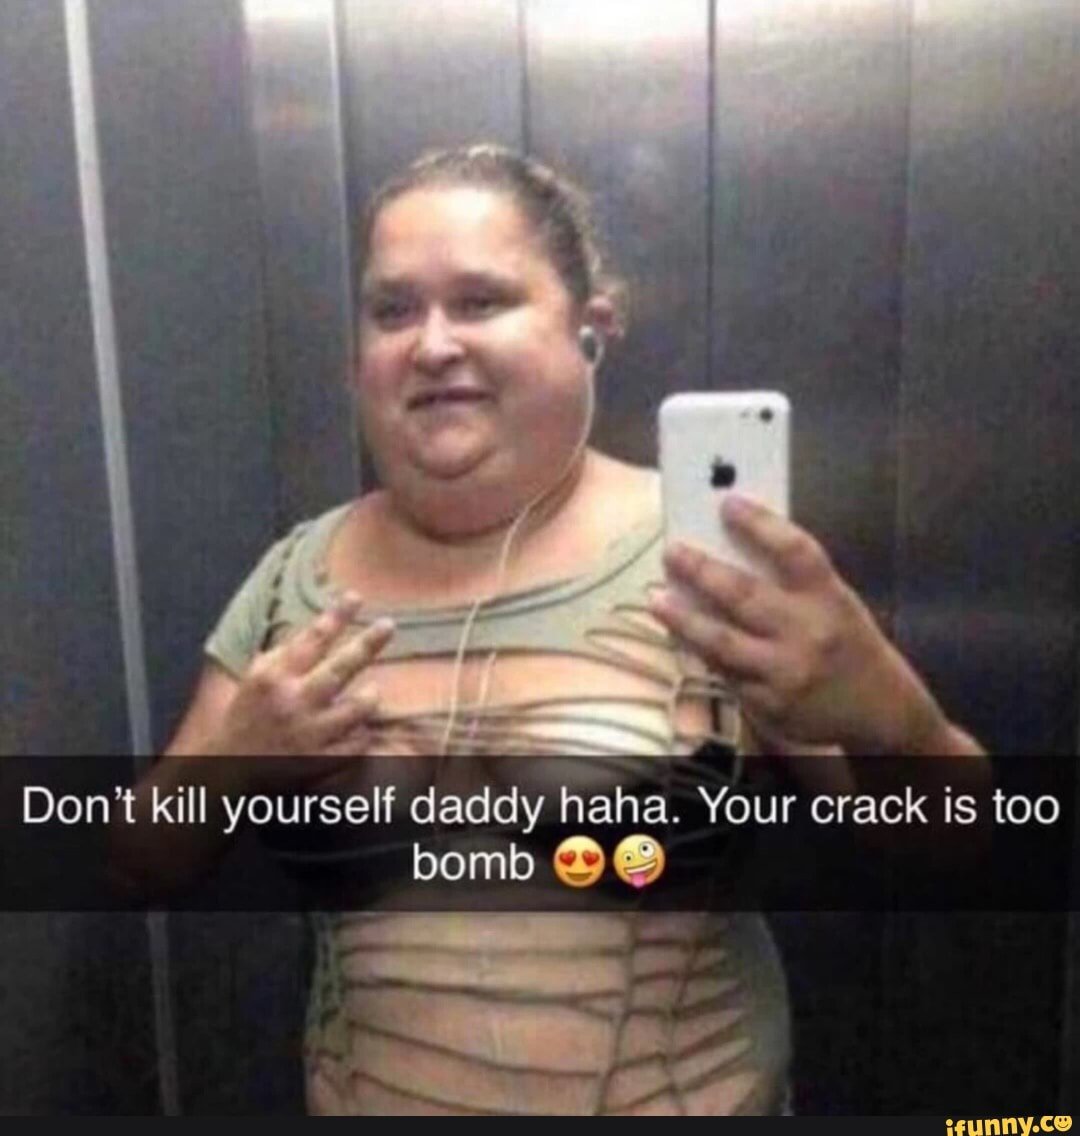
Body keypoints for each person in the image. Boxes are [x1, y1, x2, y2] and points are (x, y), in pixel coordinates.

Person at [124, 145, 983, 1115]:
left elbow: (948, 854)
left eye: (480, 300)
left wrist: (894, 720)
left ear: (591, 327)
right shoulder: (293, 580)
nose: (432, 344)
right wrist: (230, 764)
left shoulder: (718, 562)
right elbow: (141, 863)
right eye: (393, 310)